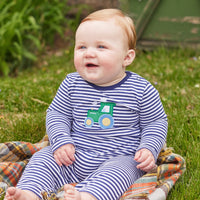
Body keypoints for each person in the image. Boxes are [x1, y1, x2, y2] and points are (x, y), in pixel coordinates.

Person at [5, 8, 168, 200]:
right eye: (82, 47)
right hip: (74, 155)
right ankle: (29, 193)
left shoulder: (140, 89)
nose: (89, 53)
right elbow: (58, 114)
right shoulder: (71, 83)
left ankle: (87, 196)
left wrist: (149, 148)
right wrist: (61, 141)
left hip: (118, 158)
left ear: (127, 57)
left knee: (120, 174)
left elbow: (156, 122)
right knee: (43, 158)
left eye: (101, 47)